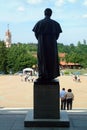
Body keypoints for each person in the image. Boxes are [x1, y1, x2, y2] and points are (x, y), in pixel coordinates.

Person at [32, 8, 62, 81]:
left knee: (42, 59)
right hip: (52, 46)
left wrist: (40, 41)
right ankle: (51, 75)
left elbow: (36, 34)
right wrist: (52, 41)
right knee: (51, 59)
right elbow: (57, 36)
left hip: (42, 45)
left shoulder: (39, 23)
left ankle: (42, 75)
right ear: (51, 14)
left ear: (44, 13)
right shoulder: (55, 24)